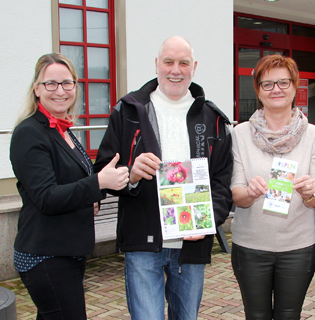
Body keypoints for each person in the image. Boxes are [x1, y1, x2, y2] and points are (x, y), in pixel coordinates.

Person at [93, 36, 233, 320]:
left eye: (183, 63)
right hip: (143, 242)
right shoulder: (129, 111)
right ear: (157, 64)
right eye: (168, 62)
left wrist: (209, 220)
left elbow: (222, 182)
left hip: (192, 245)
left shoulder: (212, 118)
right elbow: (104, 170)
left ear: (194, 67)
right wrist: (130, 175)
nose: (175, 70)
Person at [9, 53, 129, 320]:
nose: (60, 91)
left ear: (75, 87)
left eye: (67, 83)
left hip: (68, 250)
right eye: (50, 83)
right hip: (45, 254)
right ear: (37, 89)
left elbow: (72, 182)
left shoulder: (63, 130)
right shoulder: (29, 133)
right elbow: (46, 197)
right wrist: (97, 183)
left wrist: (98, 190)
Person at [230, 54, 315, 319]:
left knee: (289, 315)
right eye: (268, 84)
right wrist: (249, 193)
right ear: (258, 91)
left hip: (297, 249)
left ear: (295, 87)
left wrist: (309, 192)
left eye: (284, 82)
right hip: (250, 247)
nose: (276, 90)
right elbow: (236, 193)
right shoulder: (240, 134)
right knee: (257, 316)